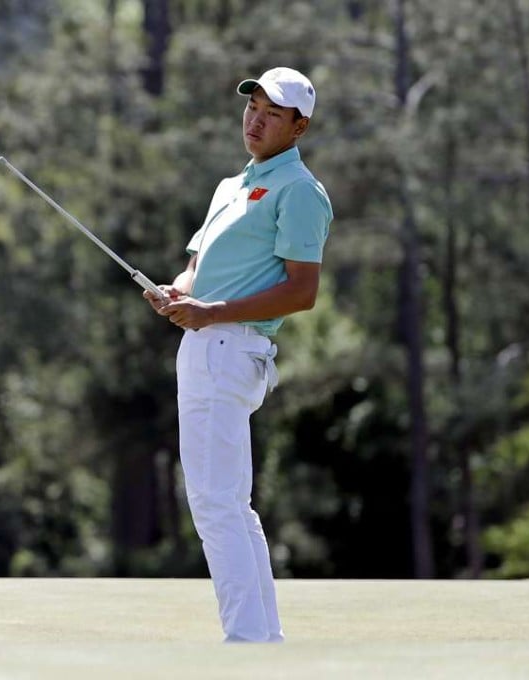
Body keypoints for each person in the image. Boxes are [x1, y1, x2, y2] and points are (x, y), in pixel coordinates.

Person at [144, 67, 333, 643]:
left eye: (272, 113)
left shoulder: (300, 191)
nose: (255, 118)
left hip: (227, 346)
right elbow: (198, 269)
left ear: (298, 128)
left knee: (215, 505)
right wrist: (181, 290)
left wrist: (209, 312)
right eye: (252, 106)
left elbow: (302, 292)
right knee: (231, 505)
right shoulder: (232, 186)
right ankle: (262, 637)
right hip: (209, 344)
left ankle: (247, 642)